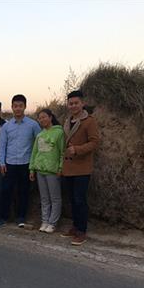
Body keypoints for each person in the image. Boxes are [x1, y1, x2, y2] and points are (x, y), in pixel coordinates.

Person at [0, 94, 41, 229]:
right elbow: (2, 146)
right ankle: (3, 217)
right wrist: (2, 163)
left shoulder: (33, 125)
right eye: (15, 106)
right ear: (12, 107)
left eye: (20, 106)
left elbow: (39, 143)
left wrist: (35, 164)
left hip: (26, 163)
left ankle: (21, 217)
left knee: (23, 191)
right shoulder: (6, 126)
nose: (18, 108)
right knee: (5, 190)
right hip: (9, 164)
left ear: (25, 107)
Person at [60, 90, 100, 245]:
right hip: (68, 167)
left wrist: (77, 149)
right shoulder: (67, 121)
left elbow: (94, 142)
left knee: (80, 200)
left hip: (82, 167)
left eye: (76, 103)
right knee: (72, 199)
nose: (73, 106)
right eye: (70, 103)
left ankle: (82, 231)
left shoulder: (89, 121)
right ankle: (75, 227)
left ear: (82, 103)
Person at [29, 109, 65, 233]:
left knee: (55, 198)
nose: (42, 120)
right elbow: (35, 153)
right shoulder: (40, 135)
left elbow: (62, 152)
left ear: (50, 117)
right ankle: (44, 221)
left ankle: (52, 223)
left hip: (53, 171)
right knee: (44, 198)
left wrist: (60, 167)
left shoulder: (59, 132)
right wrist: (32, 169)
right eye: (40, 118)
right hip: (40, 170)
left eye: (44, 117)